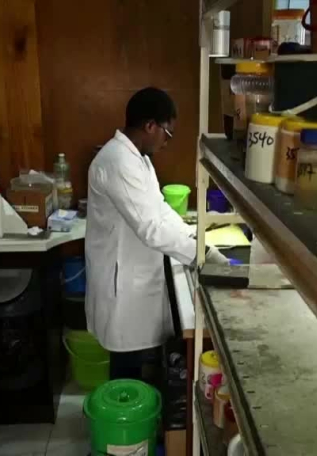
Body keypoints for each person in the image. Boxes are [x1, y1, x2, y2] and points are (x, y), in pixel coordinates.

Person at [86, 87, 229, 381]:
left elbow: (159, 209)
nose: (167, 141)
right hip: (122, 281)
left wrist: (193, 235)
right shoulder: (118, 161)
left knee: (136, 357)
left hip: (134, 275)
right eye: (168, 133)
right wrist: (201, 255)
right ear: (150, 125)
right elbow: (151, 228)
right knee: (126, 366)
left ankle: (138, 402)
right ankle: (126, 407)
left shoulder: (139, 158)